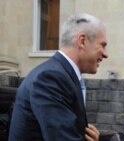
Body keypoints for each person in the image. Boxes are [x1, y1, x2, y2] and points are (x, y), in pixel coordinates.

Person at [8, 13, 108, 141]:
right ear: (82, 41)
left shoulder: (60, 75)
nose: (106, 54)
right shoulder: (51, 78)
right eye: (103, 45)